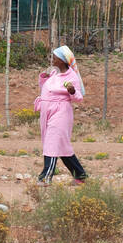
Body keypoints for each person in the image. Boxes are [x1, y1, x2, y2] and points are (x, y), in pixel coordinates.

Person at [35, 44, 88, 185]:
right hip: (47, 112)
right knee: (62, 146)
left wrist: (71, 91)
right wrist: (44, 76)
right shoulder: (54, 72)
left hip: (61, 112)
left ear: (63, 60)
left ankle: (46, 177)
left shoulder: (72, 77)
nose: (52, 59)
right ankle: (80, 176)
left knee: (52, 144)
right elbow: (44, 88)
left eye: (55, 57)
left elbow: (78, 98)